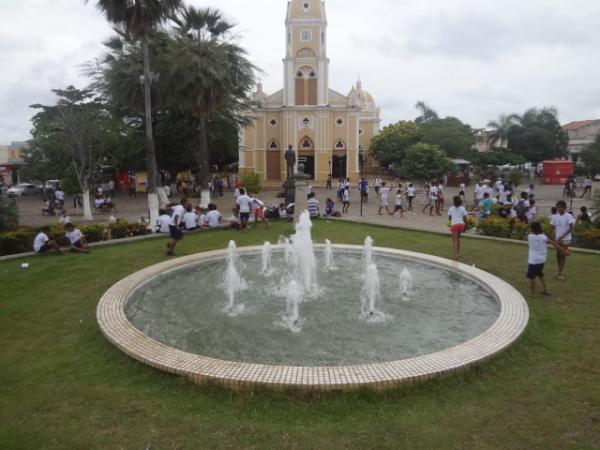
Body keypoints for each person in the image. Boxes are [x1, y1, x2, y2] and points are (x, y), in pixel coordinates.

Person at [526, 221, 566, 298]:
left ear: (532, 229)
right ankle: (546, 290)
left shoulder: (530, 236)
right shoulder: (544, 237)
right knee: (540, 274)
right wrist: (564, 251)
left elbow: (530, 233)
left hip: (533, 260)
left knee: (532, 277)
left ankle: (533, 293)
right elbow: (554, 244)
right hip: (542, 259)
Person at [550, 200, 575, 281]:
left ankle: (560, 273)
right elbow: (552, 226)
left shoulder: (568, 216)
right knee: (558, 255)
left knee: (562, 255)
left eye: (560, 207)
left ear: (564, 208)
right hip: (557, 240)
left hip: (566, 239)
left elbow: (571, 228)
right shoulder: (555, 216)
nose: (559, 209)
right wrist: (554, 235)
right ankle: (559, 271)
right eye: (558, 207)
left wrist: (562, 236)